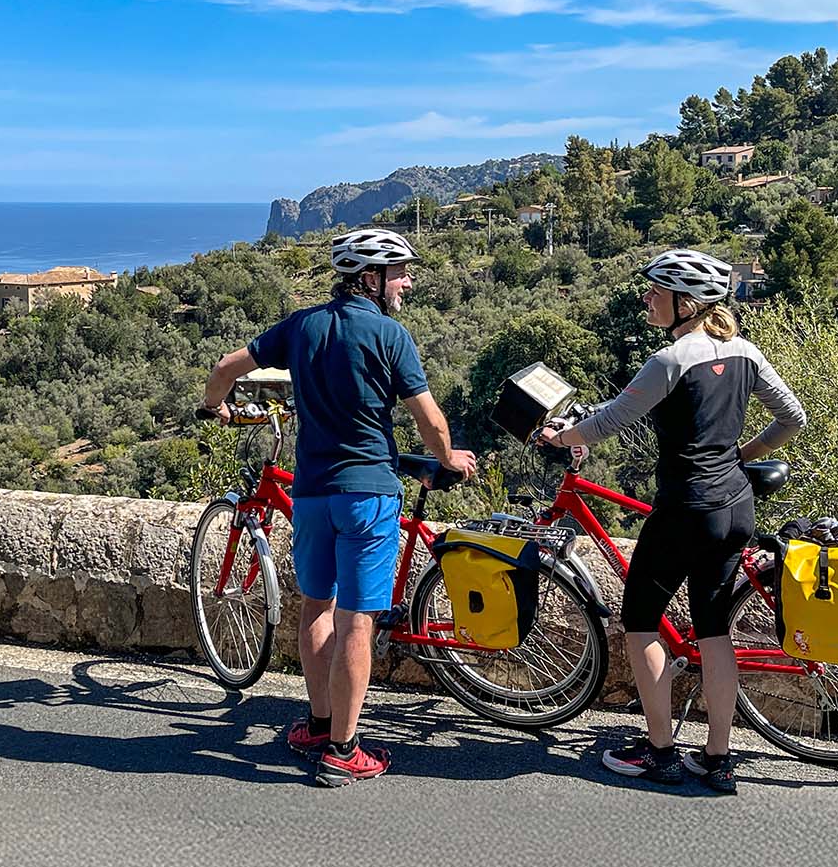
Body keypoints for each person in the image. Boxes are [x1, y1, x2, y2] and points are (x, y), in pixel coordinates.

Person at [200, 228, 477, 787]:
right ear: (370, 278)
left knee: (316, 608)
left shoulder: (302, 325)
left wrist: (216, 409)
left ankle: (318, 723)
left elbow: (227, 368)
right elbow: (430, 421)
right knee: (358, 620)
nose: (407, 282)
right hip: (368, 496)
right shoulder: (390, 335)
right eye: (399, 272)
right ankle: (343, 750)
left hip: (312, 495)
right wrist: (450, 459)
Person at [537, 249, 806, 794]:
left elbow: (610, 420)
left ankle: (659, 753)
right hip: (734, 508)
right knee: (713, 630)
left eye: (657, 291)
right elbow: (793, 417)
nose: (647, 299)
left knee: (639, 622)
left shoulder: (670, 361)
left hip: (685, 509)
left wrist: (559, 437)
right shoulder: (745, 352)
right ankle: (717, 759)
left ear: (687, 302)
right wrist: (739, 458)